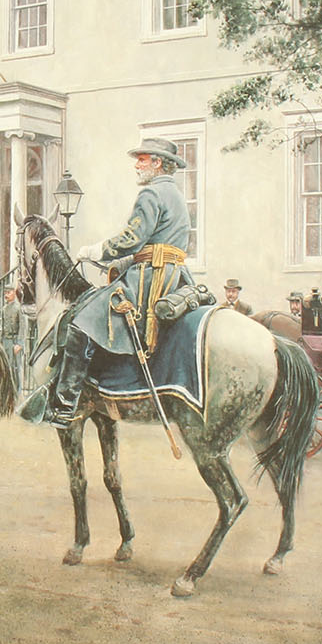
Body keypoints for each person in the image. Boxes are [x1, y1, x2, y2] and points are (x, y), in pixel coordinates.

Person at [42, 137, 194, 428]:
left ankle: (65, 405)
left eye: (142, 159)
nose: (137, 165)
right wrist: (122, 264)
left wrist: (97, 250)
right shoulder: (176, 195)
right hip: (175, 276)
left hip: (150, 279)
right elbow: (160, 244)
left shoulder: (151, 193)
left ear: (157, 163)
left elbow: (133, 239)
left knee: (82, 322)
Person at [2, 286, 36, 391]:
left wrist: (20, 344)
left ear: (14, 293)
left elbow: (23, 326)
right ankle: (8, 390)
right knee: (7, 366)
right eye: (5, 293)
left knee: (17, 368)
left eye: (8, 292)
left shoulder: (19, 308)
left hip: (15, 341)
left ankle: (18, 391)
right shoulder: (4, 308)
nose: (6, 295)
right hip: (6, 341)